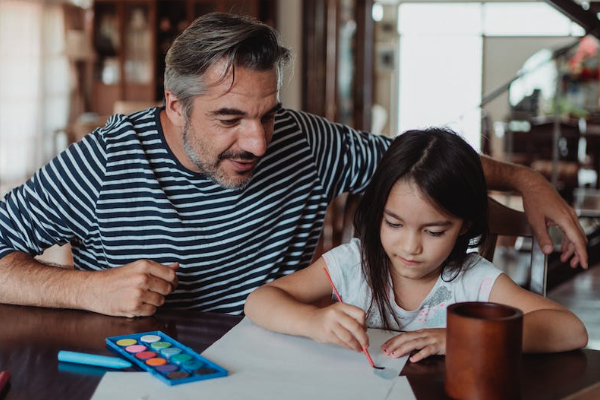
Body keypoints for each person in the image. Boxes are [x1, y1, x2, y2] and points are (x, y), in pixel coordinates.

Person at [0, 13, 588, 318]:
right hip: (137, 367)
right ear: (174, 107)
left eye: (269, 114)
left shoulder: (303, 141)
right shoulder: (105, 160)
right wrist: (89, 291)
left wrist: (525, 181)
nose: (258, 142)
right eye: (229, 119)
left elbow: (423, 170)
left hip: (271, 353)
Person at [244, 128, 588, 362]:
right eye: (394, 223)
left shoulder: (471, 279)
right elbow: (259, 301)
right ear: (379, 212)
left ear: (463, 225)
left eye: (434, 231)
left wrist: (465, 338)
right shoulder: (354, 263)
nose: (410, 247)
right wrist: (312, 322)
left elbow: (570, 330)